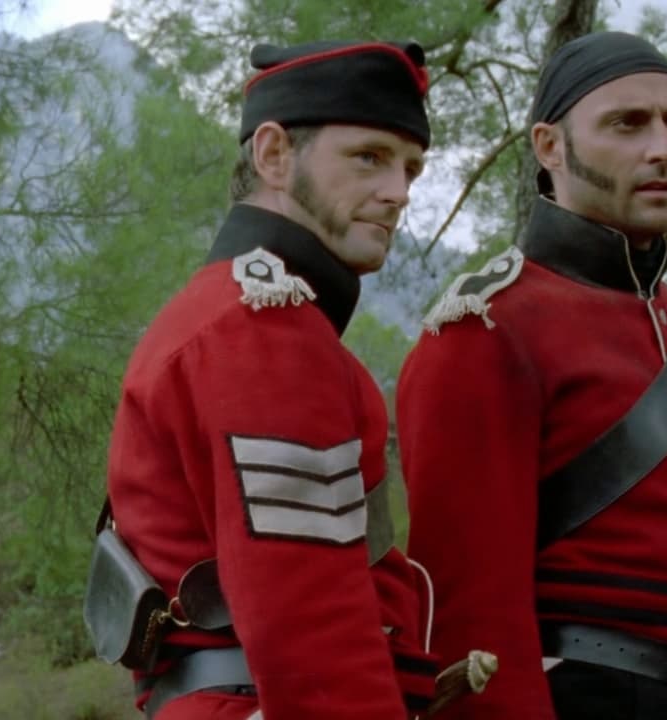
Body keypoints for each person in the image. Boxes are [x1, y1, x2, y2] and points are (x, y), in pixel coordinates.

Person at [396, 31, 667, 720]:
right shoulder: (486, 326)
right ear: (550, 147)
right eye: (628, 123)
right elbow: (469, 608)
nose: (662, 148)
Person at [97, 39, 438, 719]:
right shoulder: (265, 330)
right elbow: (315, 640)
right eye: (369, 157)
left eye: (410, 168)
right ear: (274, 155)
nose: (398, 192)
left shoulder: (241, 315)